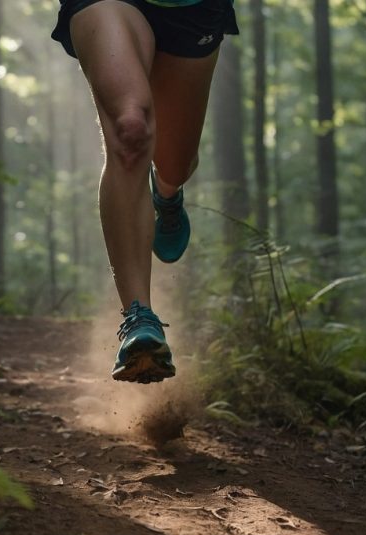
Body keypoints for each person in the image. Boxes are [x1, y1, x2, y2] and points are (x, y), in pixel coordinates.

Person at [52, 0, 239, 383]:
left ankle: (166, 194)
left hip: (191, 7)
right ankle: (139, 318)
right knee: (130, 129)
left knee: (175, 164)